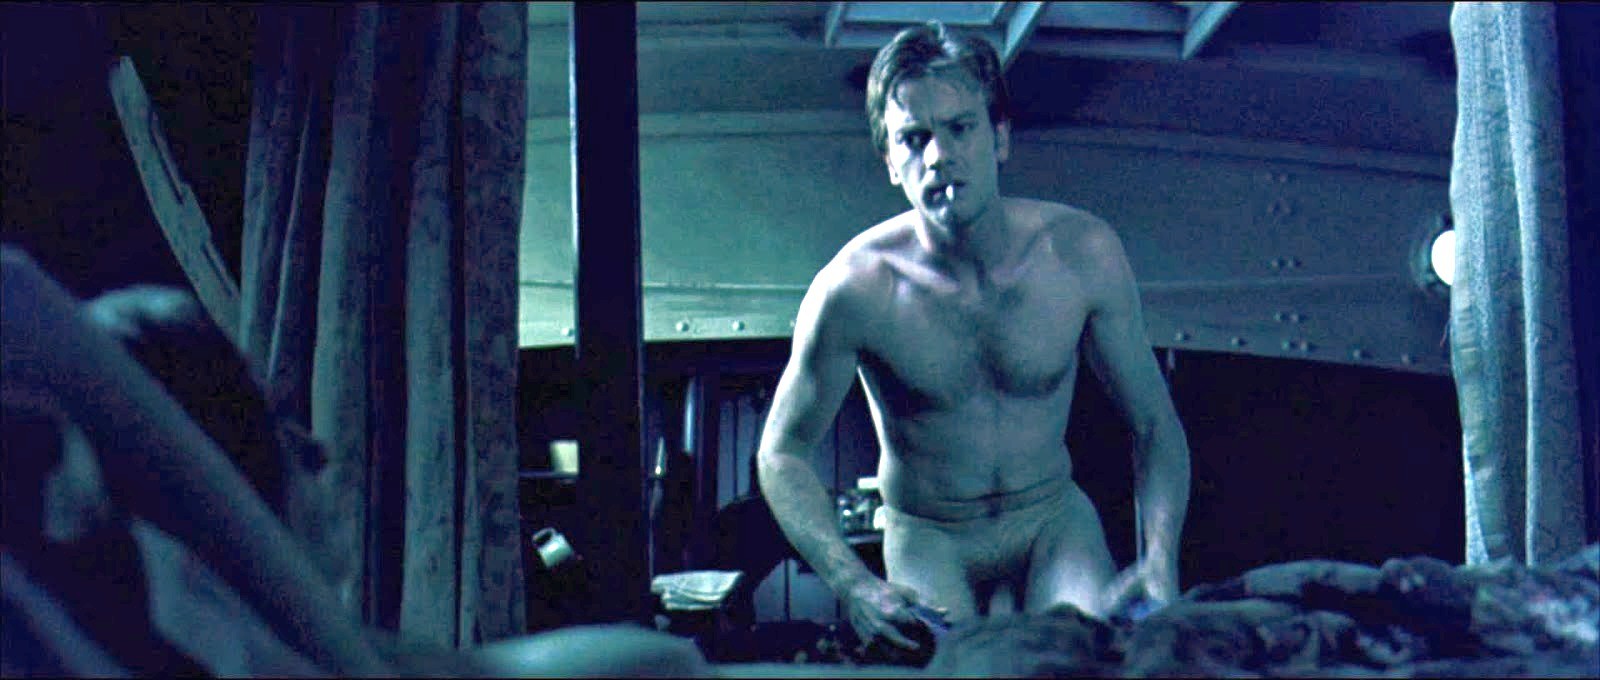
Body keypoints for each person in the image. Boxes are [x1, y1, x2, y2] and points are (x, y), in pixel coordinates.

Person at [755, 21, 1192, 655]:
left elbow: (1154, 423)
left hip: (1049, 517)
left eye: (960, 128)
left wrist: (1159, 560)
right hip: (931, 531)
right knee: (954, 666)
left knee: (1077, 660)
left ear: (1000, 138)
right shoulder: (853, 289)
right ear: (890, 162)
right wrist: (852, 584)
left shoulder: (1082, 253)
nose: (938, 155)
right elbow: (780, 453)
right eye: (914, 138)